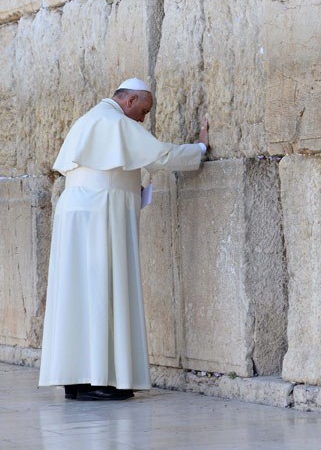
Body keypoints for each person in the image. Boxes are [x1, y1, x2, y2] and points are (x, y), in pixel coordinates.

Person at [38, 78, 208, 401]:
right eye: (143, 111)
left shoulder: (88, 120)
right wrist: (199, 148)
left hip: (74, 212)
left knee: (77, 294)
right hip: (99, 213)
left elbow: (116, 168)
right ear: (130, 100)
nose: (143, 120)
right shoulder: (116, 121)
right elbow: (160, 156)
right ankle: (99, 380)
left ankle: (76, 381)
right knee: (102, 290)